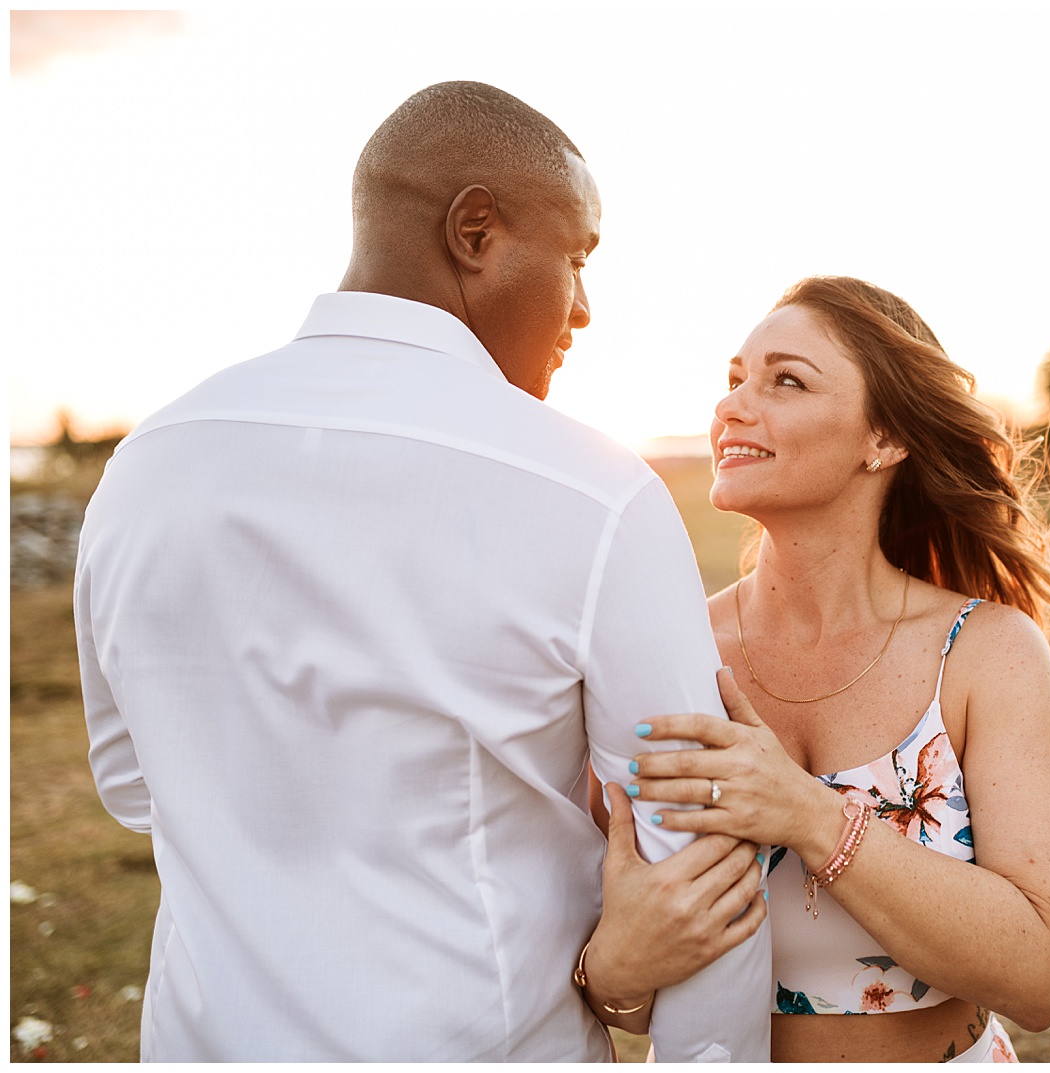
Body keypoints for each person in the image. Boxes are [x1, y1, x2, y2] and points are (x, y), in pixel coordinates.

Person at [73, 81, 769, 1062]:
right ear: (474, 229)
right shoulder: (594, 492)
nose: (583, 307)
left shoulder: (145, 463)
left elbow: (135, 782)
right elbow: (695, 855)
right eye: (576, 258)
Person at [600, 275, 1050, 1062]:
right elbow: (614, 982)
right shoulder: (672, 651)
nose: (732, 406)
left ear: (884, 438)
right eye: (735, 380)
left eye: (785, 380)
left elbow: (1043, 975)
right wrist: (614, 967)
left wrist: (810, 813)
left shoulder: (985, 654)